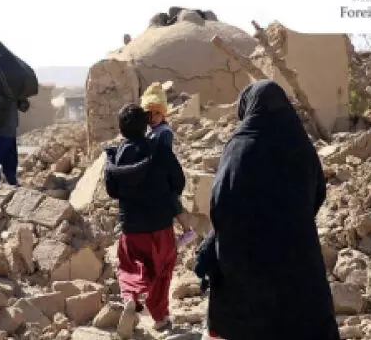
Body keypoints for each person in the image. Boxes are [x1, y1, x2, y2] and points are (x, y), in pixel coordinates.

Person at [195, 80, 340, 340]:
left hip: (245, 261)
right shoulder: (301, 146)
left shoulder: (239, 146)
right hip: (297, 257)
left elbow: (221, 202)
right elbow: (317, 192)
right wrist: (292, 219)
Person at [104, 103, 185, 337]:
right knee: (162, 270)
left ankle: (130, 296)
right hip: (161, 225)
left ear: (121, 129)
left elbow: (112, 191)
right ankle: (160, 318)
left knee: (130, 266)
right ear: (146, 124)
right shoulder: (159, 150)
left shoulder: (116, 157)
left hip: (132, 227)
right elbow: (179, 181)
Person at [140, 82, 196, 247]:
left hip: (165, 177)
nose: (153, 117)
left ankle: (188, 231)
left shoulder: (164, 132)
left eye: (157, 113)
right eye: (149, 113)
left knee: (174, 205)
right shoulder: (153, 131)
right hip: (160, 177)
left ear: (164, 114)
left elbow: (164, 156)